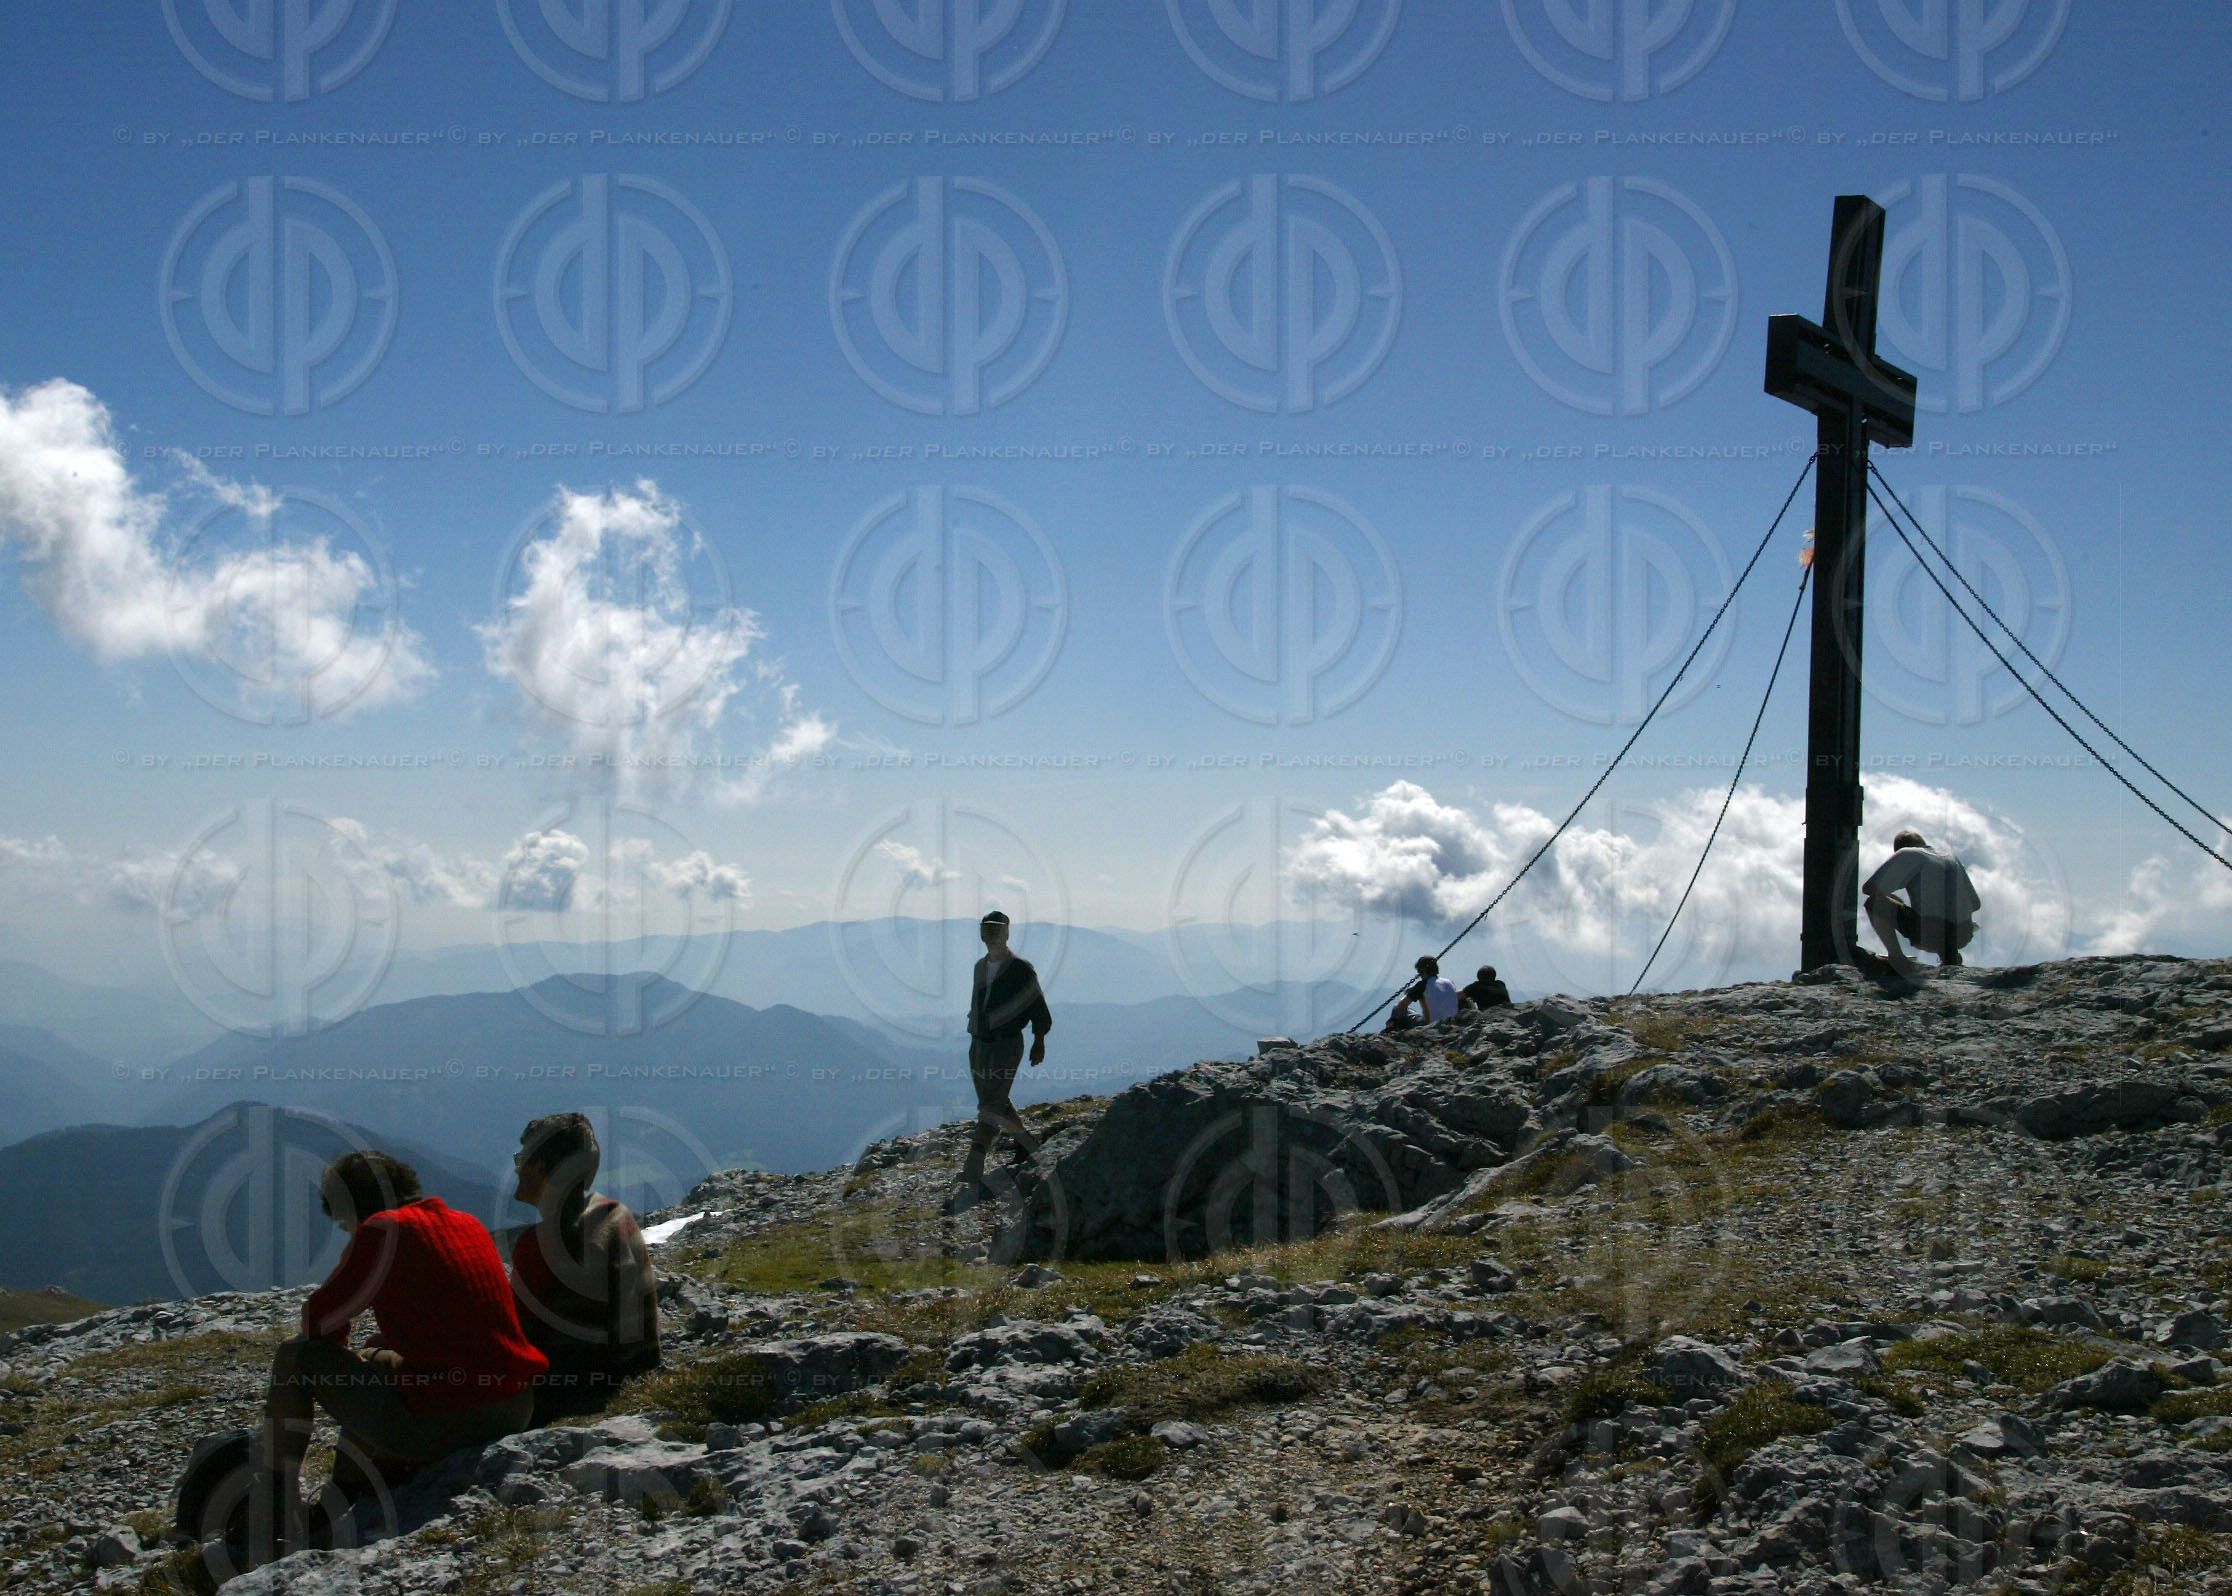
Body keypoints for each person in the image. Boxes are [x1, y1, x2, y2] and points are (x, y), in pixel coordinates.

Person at [246, 1151, 546, 1568]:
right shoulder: (466, 1222)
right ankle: (350, 1488)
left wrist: (341, 1344)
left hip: (456, 1418)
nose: (347, 1231)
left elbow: (318, 1321)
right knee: (375, 1354)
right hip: (515, 1405)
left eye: (343, 1222)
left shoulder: (382, 1231)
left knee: (297, 1356)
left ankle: (276, 1503)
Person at [509, 1113, 662, 1426]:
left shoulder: (540, 1245)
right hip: (631, 1381)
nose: (516, 1166)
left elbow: (514, 1339)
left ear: (539, 1168)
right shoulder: (615, 1215)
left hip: (565, 1400)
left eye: (521, 1157)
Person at [950, 909, 1052, 1209]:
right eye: (987, 929)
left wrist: (1039, 1040)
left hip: (1006, 1045)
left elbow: (1038, 1007)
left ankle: (974, 1167)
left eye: (996, 929)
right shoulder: (979, 967)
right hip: (979, 1044)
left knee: (990, 1105)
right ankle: (1028, 1146)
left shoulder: (1021, 969)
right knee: (996, 1100)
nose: (991, 934)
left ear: (1007, 933)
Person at [1863, 828, 1981, 974]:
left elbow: (1869, 888)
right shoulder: (1951, 858)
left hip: (1928, 934)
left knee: (1874, 902)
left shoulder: (1907, 854)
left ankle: (1897, 958)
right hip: (1963, 934)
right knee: (1940, 917)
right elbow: (1976, 904)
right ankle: (1949, 956)